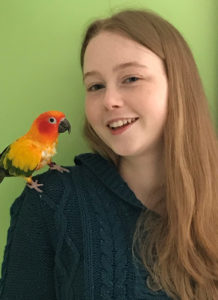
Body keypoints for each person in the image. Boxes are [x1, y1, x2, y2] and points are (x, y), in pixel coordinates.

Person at [0, 8, 217, 300]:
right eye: (95, 86)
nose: (109, 100)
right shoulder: (49, 204)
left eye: (131, 78)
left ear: (178, 85)